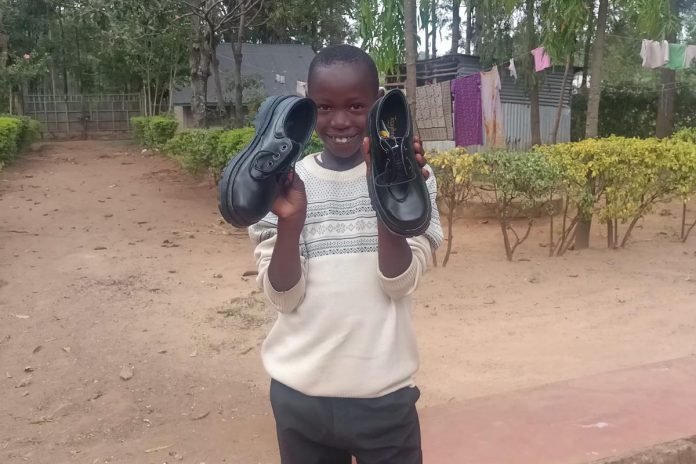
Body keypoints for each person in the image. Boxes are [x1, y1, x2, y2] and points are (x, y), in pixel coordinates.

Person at [248, 44, 443, 464]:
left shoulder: (414, 183)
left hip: (383, 400)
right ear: (307, 107)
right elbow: (283, 297)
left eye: (356, 106)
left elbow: (399, 283)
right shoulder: (284, 184)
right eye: (324, 107)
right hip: (300, 400)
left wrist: (387, 196)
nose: (339, 121)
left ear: (377, 104)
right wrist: (290, 224)